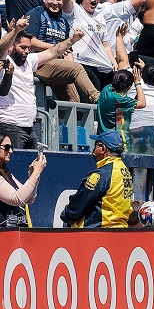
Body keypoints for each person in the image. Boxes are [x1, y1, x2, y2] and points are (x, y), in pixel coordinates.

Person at [0, 19, 84, 148]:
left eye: (28, 47)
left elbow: (52, 51)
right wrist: (16, 30)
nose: (26, 51)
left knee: (33, 165)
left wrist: (72, 40)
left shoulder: (30, 60)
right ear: (11, 46)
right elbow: (1, 48)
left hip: (30, 127)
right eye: (22, 47)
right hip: (9, 126)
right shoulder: (5, 60)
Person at [60, 130, 133, 228]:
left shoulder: (100, 175)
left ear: (103, 149)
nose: (94, 149)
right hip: (121, 231)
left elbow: (78, 204)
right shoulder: (125, 171)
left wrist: (66, 215)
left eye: (97, 145)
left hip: (98, 234)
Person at [0, 135, 45, 227]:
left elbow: (29, 198)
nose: (11, 151)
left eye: (11, 147)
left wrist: (33, 175)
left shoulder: (6, 172)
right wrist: (36, 172)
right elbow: (17, 199)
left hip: (14, 230)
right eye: (7, 147)